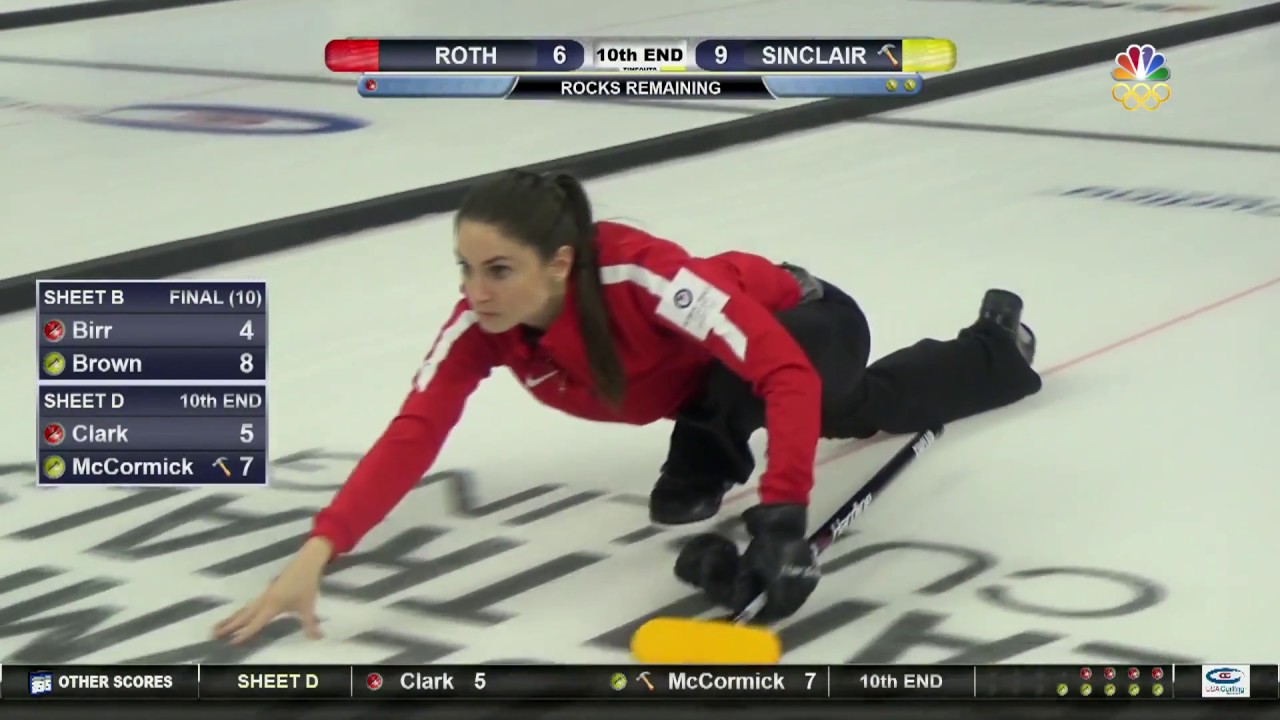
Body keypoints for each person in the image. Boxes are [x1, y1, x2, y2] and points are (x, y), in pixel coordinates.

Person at [213, 169, 1042, 643]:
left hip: (805, 322)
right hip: (713, 379)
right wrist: (318, 552)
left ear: (559, 261)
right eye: (463, 269)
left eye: (497, 270)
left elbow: (781, 371)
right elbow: (415, 430)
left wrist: (784, 518)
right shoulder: (485, 324)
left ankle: (996, 349)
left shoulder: (643, 277)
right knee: (861, 409)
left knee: (835, 401)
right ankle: (706, 449)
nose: (474, 292)